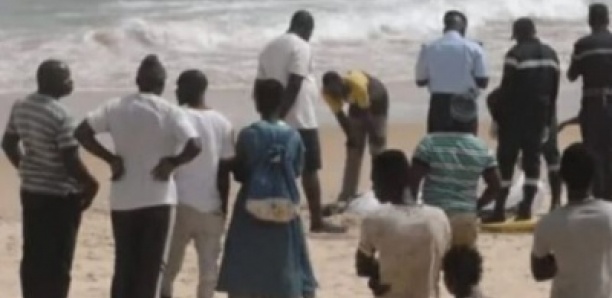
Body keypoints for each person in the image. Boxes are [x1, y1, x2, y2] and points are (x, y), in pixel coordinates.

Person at [74, 55, 202, 298]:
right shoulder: (170, 112)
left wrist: (111, 159)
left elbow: (82, 132)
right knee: (152, 268)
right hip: (159, 198)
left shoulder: (115, 107)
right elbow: (194, 145)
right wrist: (172, 163)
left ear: (137, 81)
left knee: (125, 265)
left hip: (123, 198)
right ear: (163, 84)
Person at [1, 60, 99, 298]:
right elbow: (70, 160)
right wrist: (91, 184)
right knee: (58, 260)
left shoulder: (21, 105)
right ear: (53, 83)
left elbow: (8, 143)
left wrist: (24, 167)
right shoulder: (62, 115)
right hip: (59, 197)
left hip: (31, 192)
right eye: (67, 78)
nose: (71, 82)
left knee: (34, 254)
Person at [217, 79, 318, 298]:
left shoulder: (249, 134)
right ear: (282, 102)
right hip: (285, 207)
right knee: (285, 261)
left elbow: (241, 173)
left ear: (257, 102)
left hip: (251, 208)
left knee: (247, 264)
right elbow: (297, 170)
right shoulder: (294, 136)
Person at [256, 10, 345, 233]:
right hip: (301, 118)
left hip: (274, 117)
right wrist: (283, 114)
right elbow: (295, 82)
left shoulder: (269, 47)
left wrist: (267, 116)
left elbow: (259, 86)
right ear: (307, 29)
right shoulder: (301, 46)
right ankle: (316, 220)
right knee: (310, 169)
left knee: (278, 168)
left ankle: (277, 217)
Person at [161, 70, 234, 298]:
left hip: (179, 203)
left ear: (189, 89)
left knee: (169, 269)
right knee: (208, 273)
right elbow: (224, 170)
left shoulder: (176, 117)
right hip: (210, 205)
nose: (175, 91)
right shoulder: (223, 122)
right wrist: (223, 206)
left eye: (179, 87)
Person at [484, 18, 561, 223]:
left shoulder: (514, 54)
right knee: (532, 162)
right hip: (540, 116)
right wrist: (547, 121)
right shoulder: (552, 54)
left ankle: (499, 209)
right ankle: (526, 208)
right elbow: (554, 92)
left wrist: (497, 118)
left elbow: (506, 90)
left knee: (506, 161)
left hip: (515, 117)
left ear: (517, 35)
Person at [356, 150, 451, 298]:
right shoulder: (438, 217)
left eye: (375, 181)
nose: (373, 189)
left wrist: (380, 274)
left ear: (388, 181)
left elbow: (362, 266)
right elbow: (446, 263)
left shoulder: (375, 219)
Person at [411, 97, 501, 247]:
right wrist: (476, 205)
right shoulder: (482, 148)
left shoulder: (429, 143)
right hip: (465, 218)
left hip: (432, 217)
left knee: (431, 267)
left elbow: (413, 181)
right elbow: (495, 186)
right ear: (474, 120)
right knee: (460, 267)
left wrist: (413, 211)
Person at [532, 142, 612, 298]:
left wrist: (565, 259)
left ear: (562, 177)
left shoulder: (549, 223)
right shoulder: (609, 214)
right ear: (594, 176)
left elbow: (539, 272)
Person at [321, 70, 389, 205]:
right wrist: (350, 137)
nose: (336, 95)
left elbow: (366, 114)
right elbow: (340, 116)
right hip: (357, 104)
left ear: (341, 82)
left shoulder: (357, 85)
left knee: (377, 150)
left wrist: (375, 135)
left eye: (337, 91)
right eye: (332, 92)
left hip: (377, 100)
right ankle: (347, 194)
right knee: (353, 150)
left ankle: (381, 190)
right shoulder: (327, 93)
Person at [415, 10, 489, 133]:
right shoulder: (475, 48)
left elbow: (420, 81)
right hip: (465, 102)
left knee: (438, 144)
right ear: (464, 28)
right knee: (465, 144)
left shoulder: (429, 47)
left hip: (439, 104)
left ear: (445, 26)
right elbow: (483, 82)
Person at [567, 3, 612, 201]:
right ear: (608, 20)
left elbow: (571, 75)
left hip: (592, 104)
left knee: (594, 151)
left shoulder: (582, 45)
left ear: (590, 20)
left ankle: (599, 195)